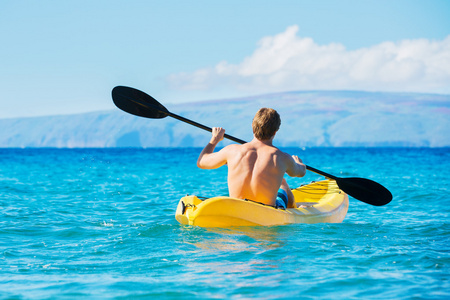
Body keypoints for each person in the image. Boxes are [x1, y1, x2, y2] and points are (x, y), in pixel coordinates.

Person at [197, 108, 306, 209]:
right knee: (283, 184)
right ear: (275, 131)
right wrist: (299, 163)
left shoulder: (232, 151)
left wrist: (214, 139)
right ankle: (295, 211)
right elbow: (300, 172)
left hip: (238, 208)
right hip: (267, 211)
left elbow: (201, 162)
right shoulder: (282, 157)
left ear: (253, 126)